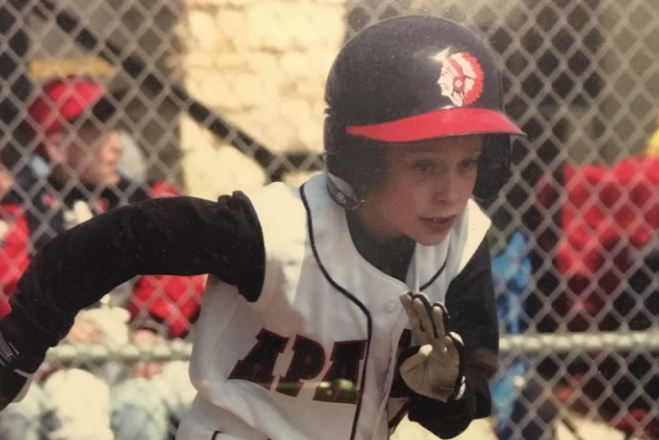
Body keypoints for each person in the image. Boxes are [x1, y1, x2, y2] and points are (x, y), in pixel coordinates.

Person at [0, 15, 524, 440]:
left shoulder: (462, 239)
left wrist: (448, 393)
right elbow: (115, 240)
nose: (451, 192)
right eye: (425, 166)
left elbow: (465, 394)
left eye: (468, 163)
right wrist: (17, 346)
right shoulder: (272, 231)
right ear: (363, 159)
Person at [0, 77, 204, 440]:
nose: (116, 144)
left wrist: (150, 326)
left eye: (115, 129)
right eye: (97, 133)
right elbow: (8, 277)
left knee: (195, 399)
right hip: (64, 355)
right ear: (58, 145)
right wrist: (46, 317)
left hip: (133, 339)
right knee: (80, 411)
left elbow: (181, 266)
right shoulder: (21, 208)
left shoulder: (143, 196)